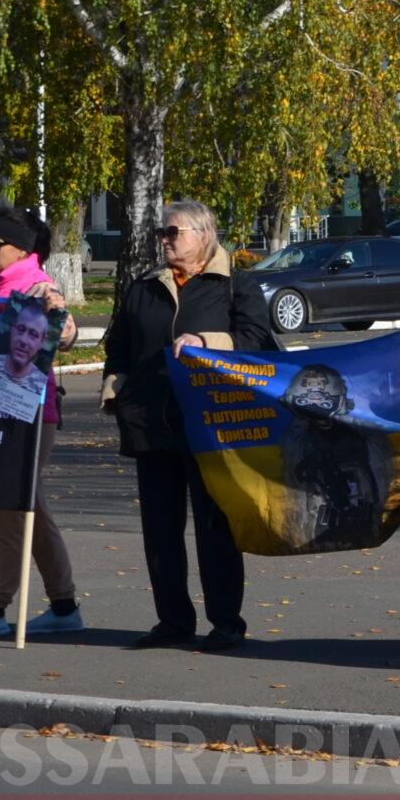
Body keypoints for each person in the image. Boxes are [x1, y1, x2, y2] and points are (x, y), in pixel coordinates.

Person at [103, 200, 275, 652]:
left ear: (203, 234)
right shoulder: (143, 288)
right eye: (161, 232)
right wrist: (113, 391)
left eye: (172, 232)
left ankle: (226, 623)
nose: (164, 239)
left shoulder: (236, 285)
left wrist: (206, 342)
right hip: (151, 424)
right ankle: (173, 621)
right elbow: (119, 346)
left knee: (215, 529)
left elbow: (257, 343)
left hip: (212, 428)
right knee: (160, 530)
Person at [0, 207, 85, 639]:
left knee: (10, 511)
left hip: (27, 414)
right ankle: (65, 605)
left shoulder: (38, 286)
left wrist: (61, 317)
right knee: (30, 509)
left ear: (22, 249)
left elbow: (67, 332)